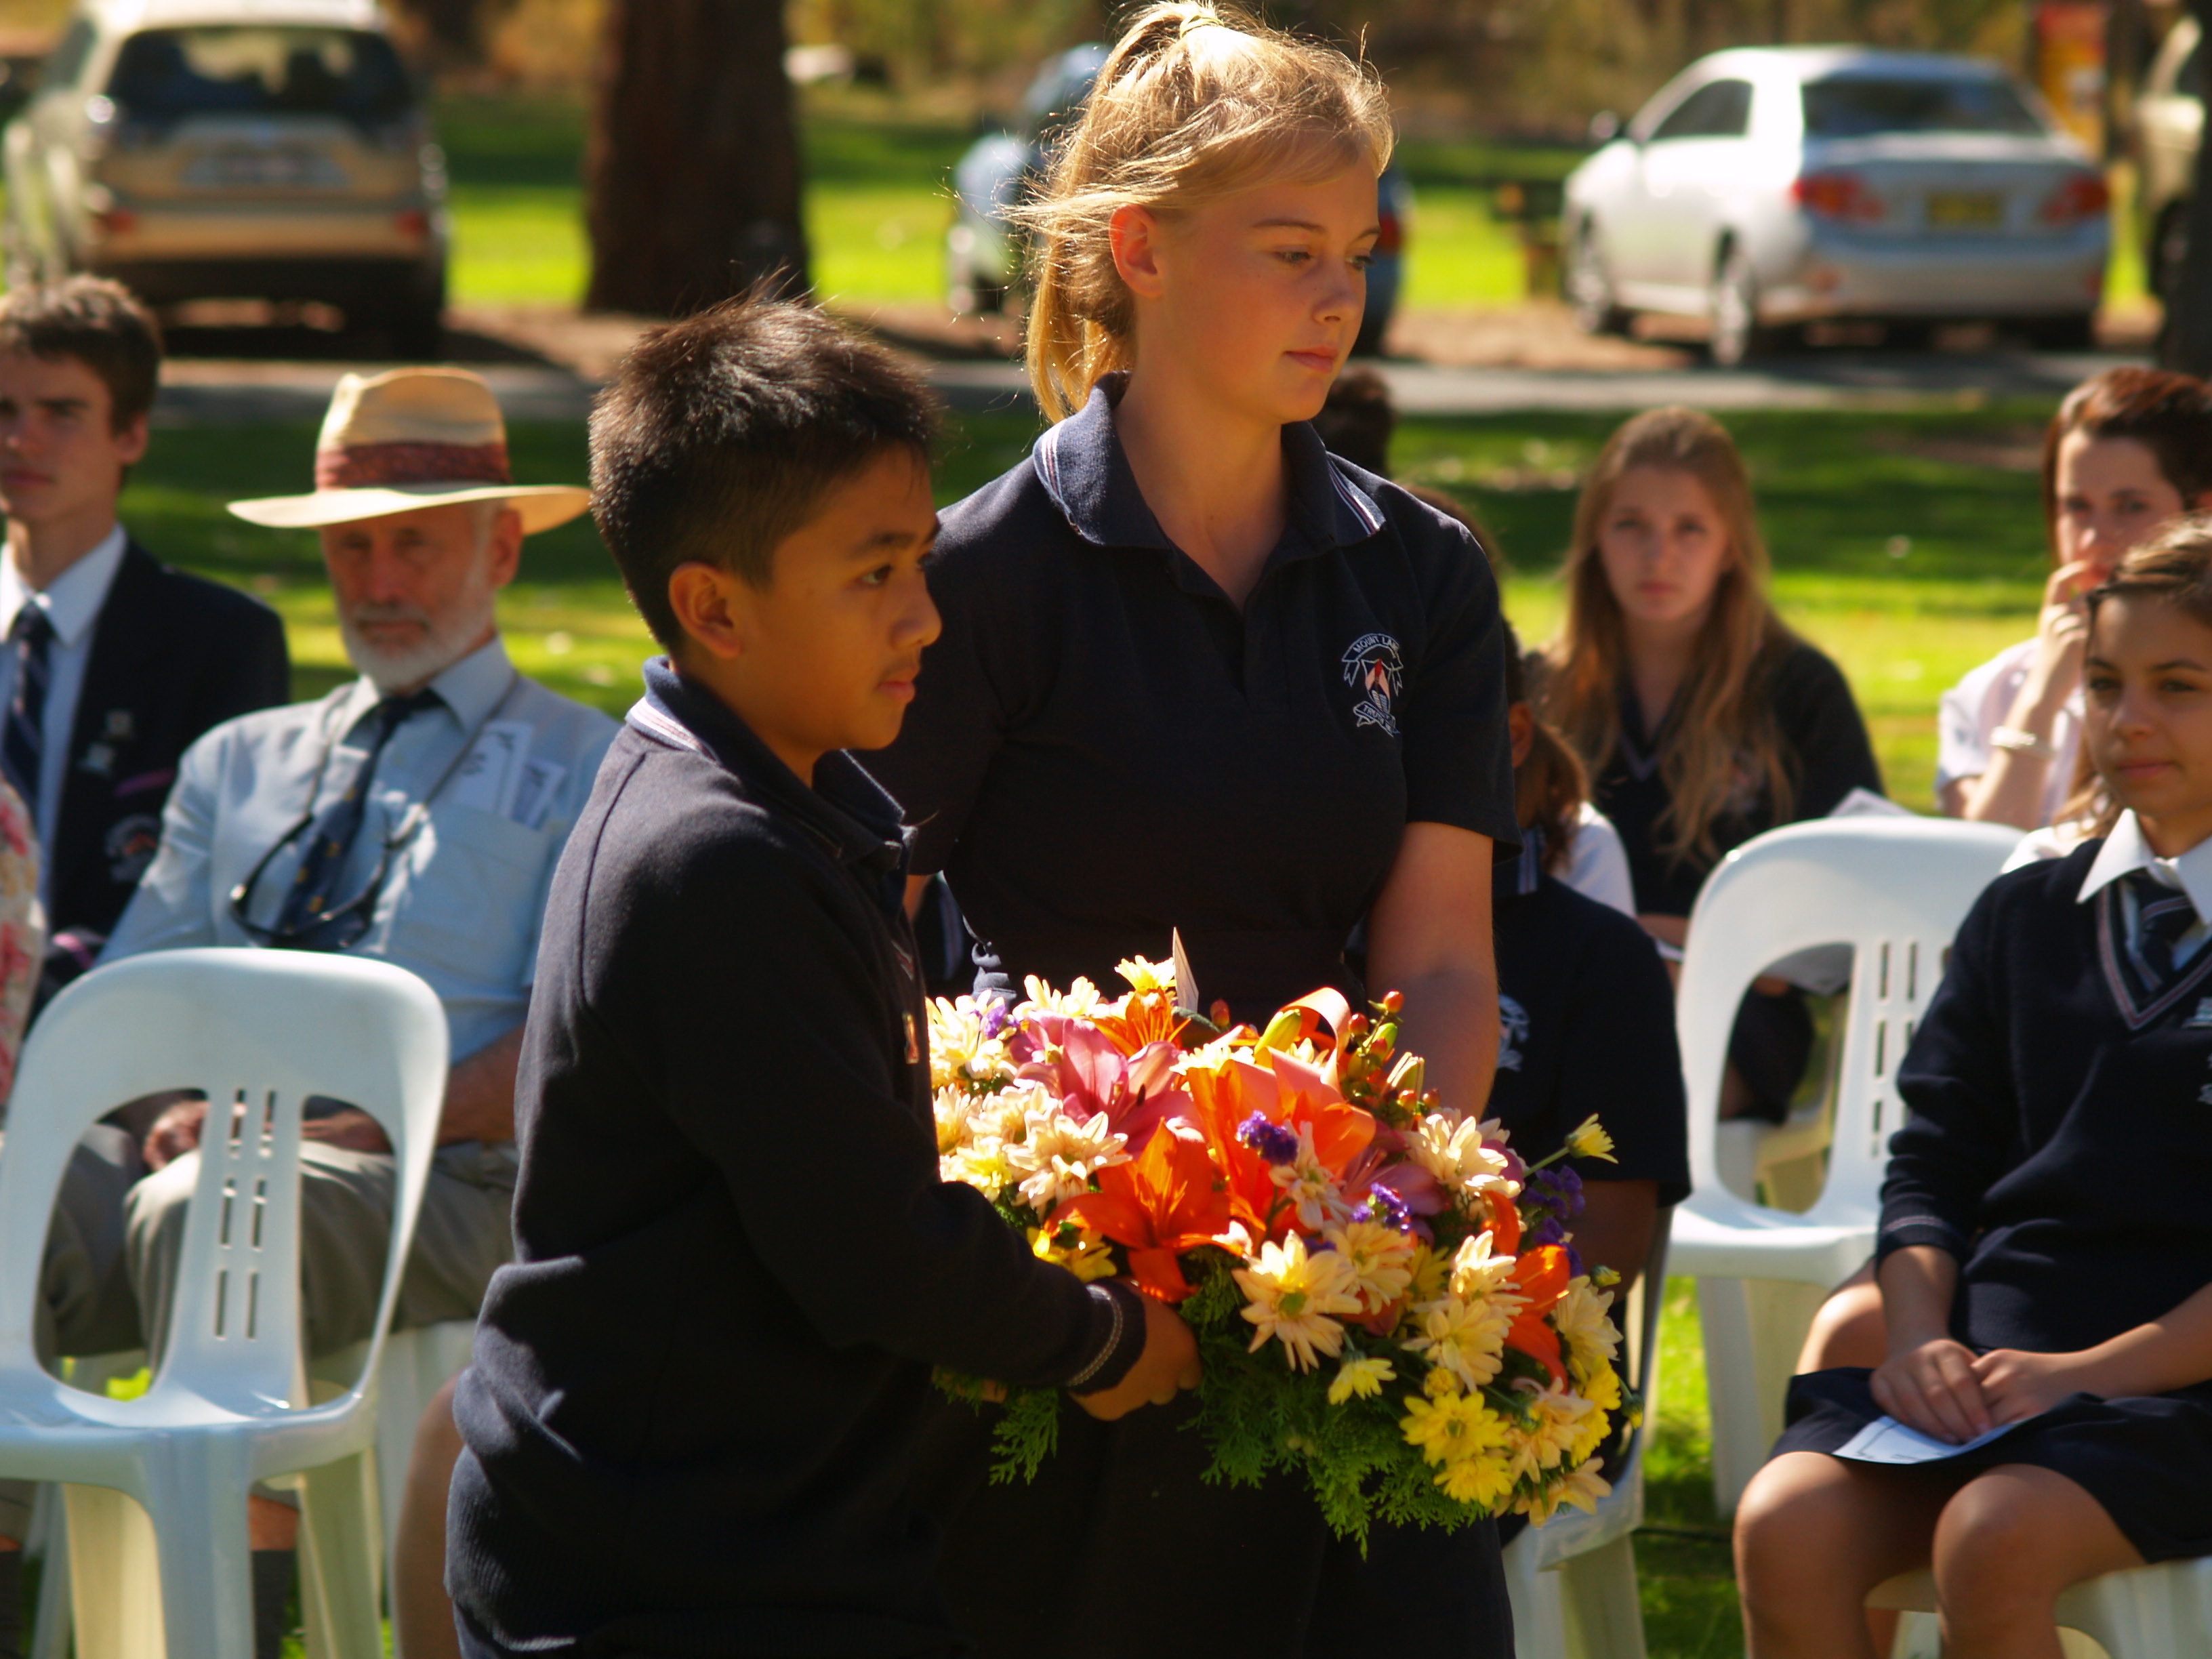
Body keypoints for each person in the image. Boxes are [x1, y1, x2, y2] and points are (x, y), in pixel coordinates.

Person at [864, 6, 1520, 1653]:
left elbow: (1439, 952)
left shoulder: (1422, 576)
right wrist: (999, 1219)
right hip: (1072, 1295)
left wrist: (1378, 1209)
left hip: (1348, 1267)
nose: (1336, 298)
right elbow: (860, 928)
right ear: (1138, 250)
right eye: (1288, 248)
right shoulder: (979, 577)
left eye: (1357, 252)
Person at [444, 297, 1197, 1659]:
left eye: (920, 559)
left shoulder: (784, 802)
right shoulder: (713, 862)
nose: (926, 617)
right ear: (713, 607)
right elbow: (872, 1252)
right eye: (873, 575)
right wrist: (1102, 1340)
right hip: (667, 1570)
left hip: (756, 1532)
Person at [55, 367, 616, 1659]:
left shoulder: (591, 763)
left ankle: (230, 1629)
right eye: (350, 545)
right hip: (207, 1161)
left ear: (503, 544)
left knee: (223, 1209)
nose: (375, 578)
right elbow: (124, 993)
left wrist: (346, 1129)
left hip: (447, 1176)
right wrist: (170, 1110)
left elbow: (569, 1043)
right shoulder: (239, 759)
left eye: (410, 541)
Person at [1733, 516, 2212, 1659]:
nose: (2125, 717)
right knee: (1781, 1524)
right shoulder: (2025, 908)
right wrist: (1911, 1336)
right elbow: (1931, 1161)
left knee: (1989, 1535)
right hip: (1984, 1372)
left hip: (2174, 1387)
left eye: (2175, 684)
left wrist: (2079, 1377)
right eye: (2102, 683)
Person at [1540, 406, 1882, 1121]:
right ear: (1594, 536)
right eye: (1631, 524)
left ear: (1731, 546)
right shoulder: (1538, 691)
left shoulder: (1798, 689)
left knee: (1614, 1046)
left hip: (1736, 1019)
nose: (1658, 555)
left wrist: (1657, 944)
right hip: (1556, 1002)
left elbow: (1845, 910)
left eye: (1689, 529)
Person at [0, 277, 290, 1003]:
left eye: (61, 412)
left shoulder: (220, 642)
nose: (20, 439)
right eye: (4, 408)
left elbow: (218, 887)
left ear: (132, 433)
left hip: (126, 1039)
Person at [1491, 617, 1685, 1282]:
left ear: (1514, 736)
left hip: (1507, 1358)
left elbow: (1607, 1248)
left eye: (1411, 717)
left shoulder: (1600, 956)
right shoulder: (1296, 931)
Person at [1938, 367, 2212, 831]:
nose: (2093, 539)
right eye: (2075, 506)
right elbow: (1981, 872)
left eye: (2130, 506)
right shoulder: (1993, 691)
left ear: (2202, 510)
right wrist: (2042, 695)